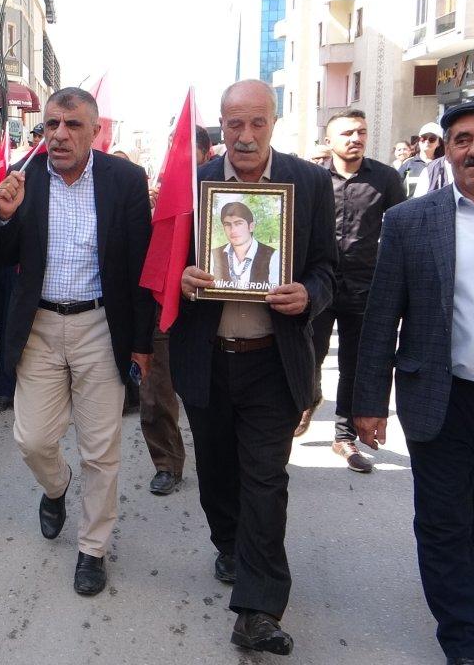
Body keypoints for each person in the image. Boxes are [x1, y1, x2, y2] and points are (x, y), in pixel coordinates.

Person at [353, 100, 474, 665]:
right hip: (443, 397)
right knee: (441, 522)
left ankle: (454, 570)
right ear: (448, 149)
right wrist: (367, 403)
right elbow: (382, 316)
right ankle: (466, 644)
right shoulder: (413, 221)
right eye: (462, 139)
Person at [172, 79, 336, 655]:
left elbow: (326, 269)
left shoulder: (309, 184)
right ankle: (229, 541)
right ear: (221, 125)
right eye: (233, 125)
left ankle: (259, 608)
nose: (244, 137)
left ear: (273, 122)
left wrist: (308, 295)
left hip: (272, 363)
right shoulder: (191, 185)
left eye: (256, 124)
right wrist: (184, 280)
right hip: (208, 361)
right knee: (218, 473)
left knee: (266, 479)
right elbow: (161, 268)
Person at [0, 88, 155, 597]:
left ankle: (92, 549)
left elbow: (140, 268)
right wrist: (4, 216)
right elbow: (3, 257)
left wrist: (142, 344)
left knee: (101, 450)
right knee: (32, 439)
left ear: (94, 131)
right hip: (39, 326)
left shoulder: (124, 181)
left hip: (100, 327)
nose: (59, 135)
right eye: (51, 124)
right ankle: (56, 486)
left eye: (72, 125)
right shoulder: (26, 178)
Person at [296, 109, 406, 461]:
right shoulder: (312, 179)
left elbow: (400, 231)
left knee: (352, 365)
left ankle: (343, 436)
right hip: (318, 285)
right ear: (329, 141)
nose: (355, 138)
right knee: (306, 357)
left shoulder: (386, 178)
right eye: (346, 133)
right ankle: (307, 399)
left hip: (363, 286)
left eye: (360, 132)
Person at [138, 126, 213, 496]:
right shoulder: (164, 192)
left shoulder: (222, 187)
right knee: (154, 394)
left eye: (184, 148)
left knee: (211, 397)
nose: (176, 154)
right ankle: (166, 463)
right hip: (165, 303)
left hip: (213, 313)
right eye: (172, 147)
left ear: (206, 151)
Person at [209, 201, 281, 289]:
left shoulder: (273, 255)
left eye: (238, 223)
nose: (233, 230)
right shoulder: (213, 255)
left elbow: (278, 293)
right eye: (227, 224)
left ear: (251, 227)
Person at [399, 121, 443, 196]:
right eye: (423, 138)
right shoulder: (408, 164)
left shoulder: (443, 165)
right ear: (419, 141)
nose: (427, 142)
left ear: (438, 143)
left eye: (432, 139)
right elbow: (396, 188)